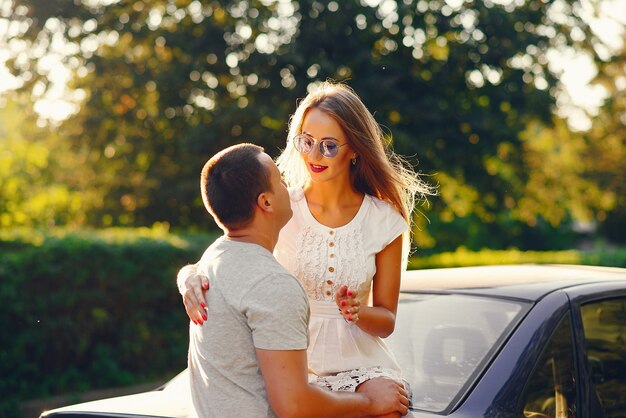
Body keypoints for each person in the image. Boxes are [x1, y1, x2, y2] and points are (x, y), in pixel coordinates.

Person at [180, 82, 433, 412]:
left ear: (355, 149)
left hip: (359, 365)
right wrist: (188, 278)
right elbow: (231, 253)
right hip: (290, 361)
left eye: (328, 146)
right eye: (306, 141)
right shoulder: (282, 207)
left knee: (390, 406)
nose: (314, 155)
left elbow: (386, 320)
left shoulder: (384, 220)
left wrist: (360, 312)